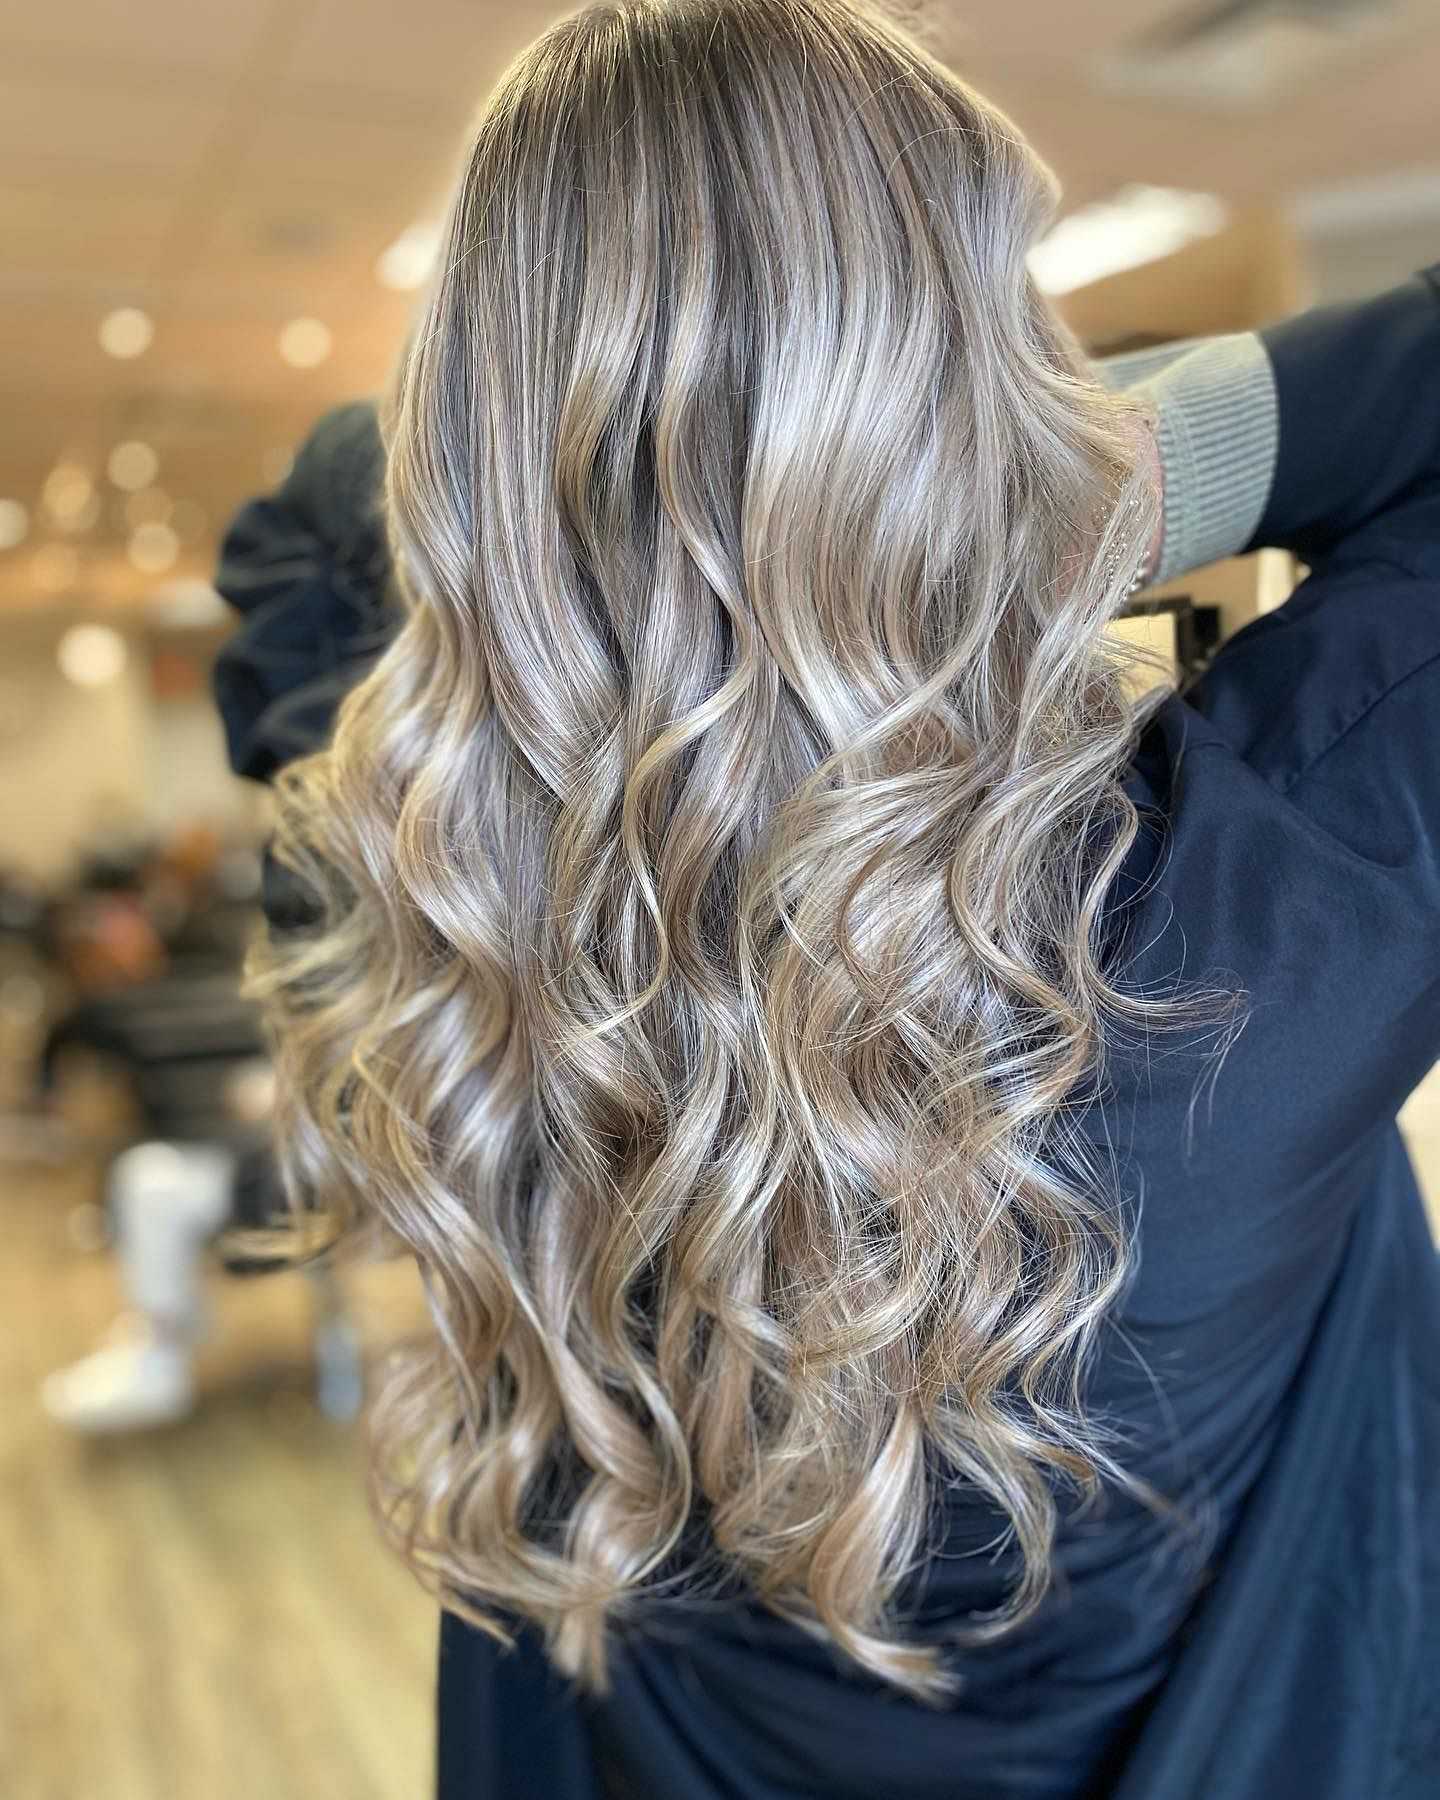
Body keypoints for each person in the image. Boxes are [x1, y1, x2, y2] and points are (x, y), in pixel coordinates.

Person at [212, 3, 1440, 1794]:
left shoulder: (422, 912)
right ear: (989, 398)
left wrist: (546, 530)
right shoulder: (1245, 925)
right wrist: (1097, 483)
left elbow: (300, 534)